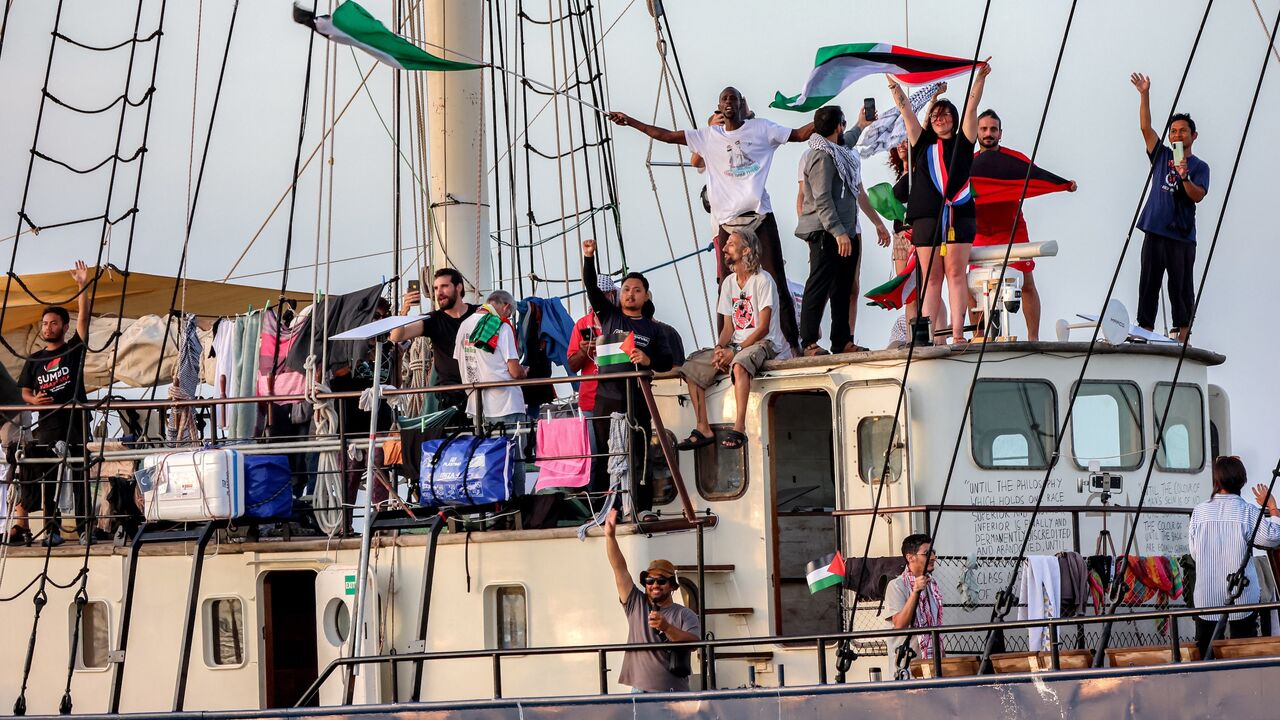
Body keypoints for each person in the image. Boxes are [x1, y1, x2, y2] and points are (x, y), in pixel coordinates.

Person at [609, 87, 816, 352]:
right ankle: (723, 346)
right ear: (719, 106)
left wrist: (822, 120)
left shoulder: (761, 128)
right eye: (725, 99)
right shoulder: (708, 136)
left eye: (734, 99)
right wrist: (630, 121)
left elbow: (798, 135)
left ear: (742, 104)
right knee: (725, 287)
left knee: (776, 279)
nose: (729, 103)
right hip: (727, 223)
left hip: (759, 217)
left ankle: (794, 344)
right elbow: (667, 136)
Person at [888, 60, 991, 345]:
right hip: (927, 219)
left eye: (945, 115)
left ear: (954, 120)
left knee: (955, 275)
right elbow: (906, 110)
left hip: (959, 215)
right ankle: (928, 337)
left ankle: (958, 334)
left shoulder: (964, 140)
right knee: (931, 280)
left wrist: (980, 78)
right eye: (935, 114)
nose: (939, 118)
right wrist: (892, 82)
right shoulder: (921, 144)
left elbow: (972, 105)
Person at [677, 231, 790, 452]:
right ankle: (703, 428)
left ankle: (739, 428)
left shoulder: (763, 280)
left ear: (746, 250)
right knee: (691, 367)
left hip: (762, 342)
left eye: (730, 244)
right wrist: (720, 349)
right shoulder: (728, 283)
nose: (725, 248)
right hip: (734, 345)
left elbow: (764, 327)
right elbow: (728, 327)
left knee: (739, 365)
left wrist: (735, 351)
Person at [582, 239, 673, 512]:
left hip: (637, 398)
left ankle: (641, 507)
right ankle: (604, 508)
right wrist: (589, 258)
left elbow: (667, 362)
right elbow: (590, 285)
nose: (630, 294)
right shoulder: (608, 315)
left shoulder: (654, 329)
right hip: (606, 398)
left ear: (646, 296)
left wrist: (648, 360)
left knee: (639, 453)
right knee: (603, 453)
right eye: (626, 289)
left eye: (636, 290)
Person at [970, 109, 1076, 341]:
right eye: (984, 129)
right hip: (980, 231)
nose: (988, 134)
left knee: (1027, 284)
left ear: (1000, 133)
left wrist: (1063, 184)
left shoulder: (1014, 159)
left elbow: (1038, 177)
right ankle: (979, 337)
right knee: (972, 289)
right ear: (976, 132)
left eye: (993, 129)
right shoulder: (968, 163)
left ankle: (1033, 338)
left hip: (1012, 229)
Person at [796, 105, 890, 356]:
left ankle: (841, 340)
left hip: (845, 230)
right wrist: (838, 232)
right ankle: (808, 342)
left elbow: (846, 141)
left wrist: (861, 125)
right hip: (826, 231)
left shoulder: (836, 150)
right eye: (844, 124)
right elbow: (822, 198)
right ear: (838, 126)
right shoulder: (821, 156)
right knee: (819, 284)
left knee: (843, 287)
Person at [19, 260, 95, 546]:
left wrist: (82, 286)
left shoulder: (73, 349)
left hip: (75, 423)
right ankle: (52, 530)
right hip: (47, 424)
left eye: (53, 323)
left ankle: (86, 528)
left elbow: (85, 320)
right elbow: (24, 391)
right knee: (49, 478)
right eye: (45, 324)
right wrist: (33, 399)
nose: (48, 327)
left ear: (64, 326)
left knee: (79, 476)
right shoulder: (34, 359)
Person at [1131, 73, 1209, 344]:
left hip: (1181, 236)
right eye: (1173, 130)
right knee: (1149, 285)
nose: (1177, 134)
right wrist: (1144, 94)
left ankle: (1182, 337)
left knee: (1181, 289)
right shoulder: (1162, 155)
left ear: (1193, 135)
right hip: (1154, 229)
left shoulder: (1200, 166)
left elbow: (1197, 195)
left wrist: (1184, 175)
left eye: (1182, 131)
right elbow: (1145, 128)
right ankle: (1144, 332)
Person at [1188, 456, 1280, 658]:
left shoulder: (1199, 512)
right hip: (1242, 596)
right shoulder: (1248, 511)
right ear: (1242, 481)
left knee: (1206, 653)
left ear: (1216, 481)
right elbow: (1273, 538)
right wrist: (1272, 506)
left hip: (1206, 598)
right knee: (1243, 653)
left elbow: (1194, 553)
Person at [602, 507, 700, 693]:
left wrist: (666, 628)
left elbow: (695, 643)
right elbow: (619, 569)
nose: (655, 585)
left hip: (674, 694)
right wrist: (610, 537)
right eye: (649, 580)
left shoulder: (685, 614)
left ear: (672, 586)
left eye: (661, 581)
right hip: (639, 692)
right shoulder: (635, 604)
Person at [390, 268, 478, 414]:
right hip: (450, 395)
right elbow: (397, 336)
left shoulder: (479, 314)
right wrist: (404, 311)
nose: (439, 292)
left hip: (480, 389)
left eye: (444, 286)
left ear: (459, 287)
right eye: (436, 288)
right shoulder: (433, 320)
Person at [454, 291, 527, 427]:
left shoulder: (464, 325)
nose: (508, 317)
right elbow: (515, 372)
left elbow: (460, 360)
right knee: (510, 447)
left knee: (483, 448)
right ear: (506, 307)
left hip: (476, 406)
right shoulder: (501, 326)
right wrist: (524, 372)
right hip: (506, 405)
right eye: (509, 314)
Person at [880, 533, 944, 671]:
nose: (933, 557)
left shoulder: (932, 584)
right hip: (907, 666)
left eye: (934, 552)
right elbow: (900, 624)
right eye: (927, 553)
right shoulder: (897, 585)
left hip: (931, 662)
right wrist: (915, 592)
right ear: (910, 557)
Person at [567, 274, 619, 418]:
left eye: (603, 295)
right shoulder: (582, 324)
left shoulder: (621, 321)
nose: (599, 300)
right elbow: (572, 366)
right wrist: (584, 351)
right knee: (592, 441)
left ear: (613, 294)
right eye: (595, 295)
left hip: (620, 399)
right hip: (590, 401)